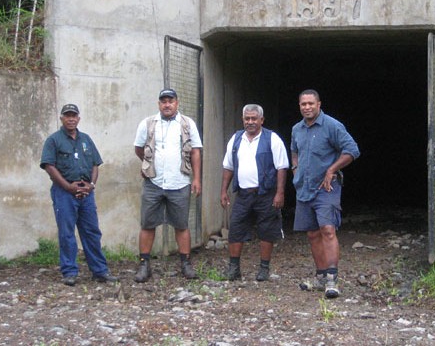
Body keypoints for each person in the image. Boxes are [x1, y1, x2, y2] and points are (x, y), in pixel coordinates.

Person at [291, 90, 360, 299]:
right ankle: (320, 277)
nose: (307, 107)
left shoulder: (332, 125)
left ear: (319, 104)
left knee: (328, 229)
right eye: (303, 104)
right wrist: (295, 170)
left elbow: (352, 150)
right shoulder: (297, 129)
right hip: (304, 187)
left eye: (311, 103)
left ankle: (332, 279)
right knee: (312, 233)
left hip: (326, 187)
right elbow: (294, 151)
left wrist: (331, 169)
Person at [40, 103, 118, 286]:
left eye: (74, 115)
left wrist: (91, 185)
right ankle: (70, 272)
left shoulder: (86, 140)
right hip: (64, 194)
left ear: (79, 118)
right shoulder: (54, 140)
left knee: (92, 232)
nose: (71, 119)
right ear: (61, 118)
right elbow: (49, 166)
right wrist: (68, 187)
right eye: (67, 116)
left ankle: (99, 271)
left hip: (86, 194)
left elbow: (95, 164)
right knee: (67, 233)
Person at [133, 88, 203, 282]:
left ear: (177, 103)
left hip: (179, 182)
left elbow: (196, 151)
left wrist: (196, 179)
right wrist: (148, 164)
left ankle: (186, 264)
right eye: (163, 101)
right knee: (147, 224)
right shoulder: (147, 123)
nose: (167, 104)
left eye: (170, 101)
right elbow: (138, 148)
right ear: (158, 104)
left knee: (181, 225)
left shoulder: (187, 124)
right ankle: (144, 265)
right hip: (153, 182)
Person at [220, 104, 289, 281]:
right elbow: (228, 166)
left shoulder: (272, 139)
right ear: (243, 120)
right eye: (247, 119)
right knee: (235, 229)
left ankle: (264, 269)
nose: (250, 122)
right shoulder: (236, 139)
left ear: (261, 120)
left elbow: (282, 167)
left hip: (266, 194)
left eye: (253, 118)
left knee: (266, 231)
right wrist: (223, 191)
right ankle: (234, 268)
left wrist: (279, 193)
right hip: (243, 194)